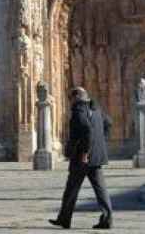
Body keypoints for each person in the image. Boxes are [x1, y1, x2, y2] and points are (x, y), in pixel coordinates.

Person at [50, 87, 113, 230]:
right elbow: (108, 122)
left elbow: (87, 131)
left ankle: (64, 219)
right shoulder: (95, 109)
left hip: (82, 158)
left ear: (76, 97)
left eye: (70, 98)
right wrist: (101, 142)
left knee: (71, 189)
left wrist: (85, 152)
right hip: (96, 157)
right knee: (101, 189)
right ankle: (107, 219)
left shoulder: (79, 110)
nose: (69, 102)